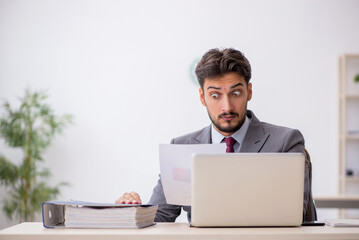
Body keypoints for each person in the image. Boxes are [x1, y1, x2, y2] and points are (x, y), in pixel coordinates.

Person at [116, 48, 317, 223]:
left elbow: (295, 213)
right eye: (215, 95)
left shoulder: (285, 141)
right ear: (203, 97)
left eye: (236, 93)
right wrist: (131, 211)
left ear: (249, 91)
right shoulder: (181, 147)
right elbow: (160, 217)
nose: (227, 106)